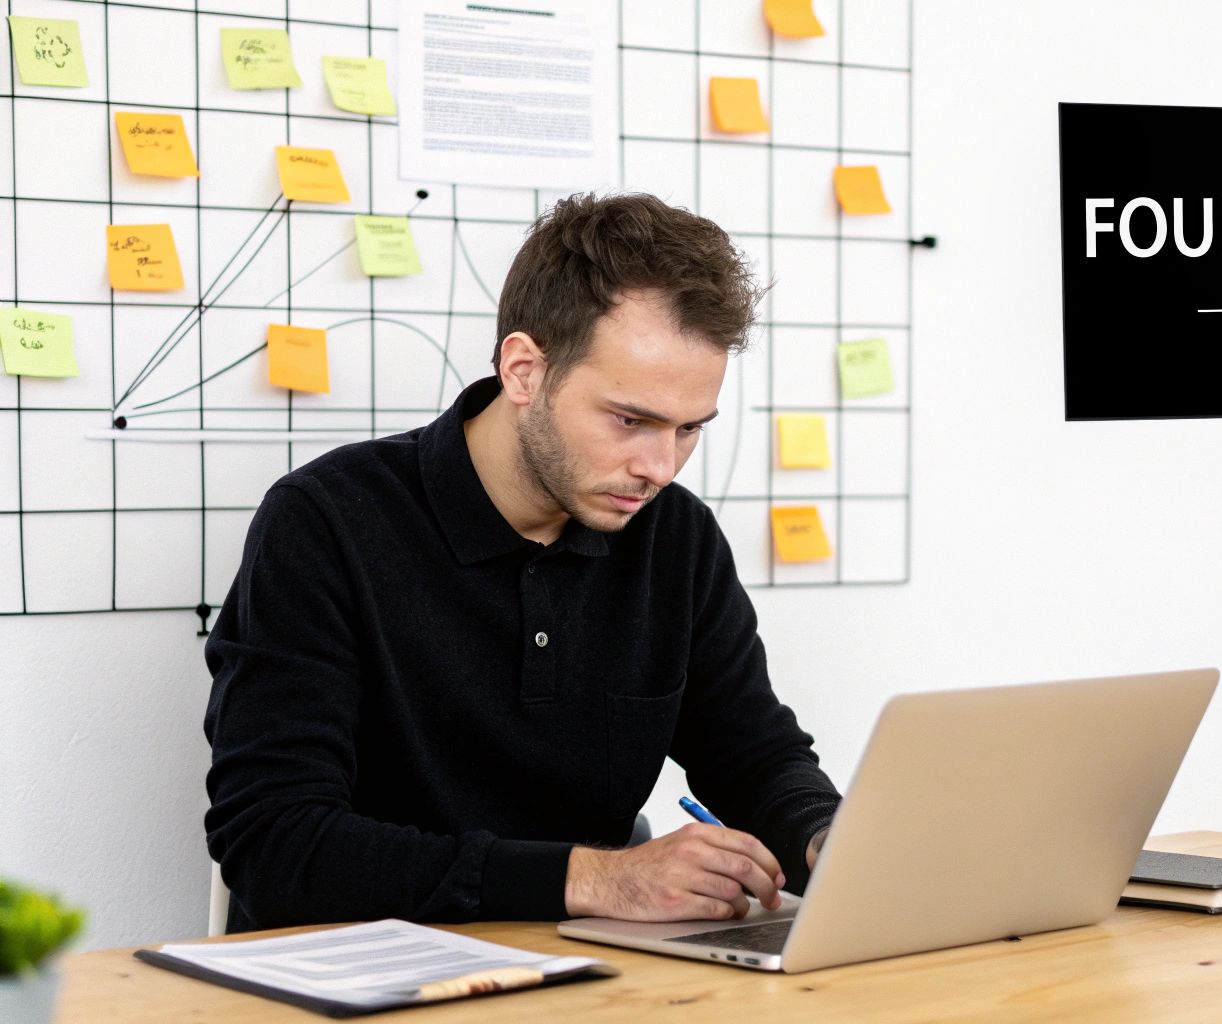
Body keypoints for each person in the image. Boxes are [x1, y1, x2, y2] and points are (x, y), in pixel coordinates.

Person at [203, 193, 840, 932]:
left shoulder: (677, 539)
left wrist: (828, 842)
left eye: (690, 428)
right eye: (630, 420)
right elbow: (274, 843)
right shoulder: (326, 522)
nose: (661, 466)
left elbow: (756, 758)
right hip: (357, 977)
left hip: (590, 976)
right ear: (524, 371)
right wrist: (598, 879)